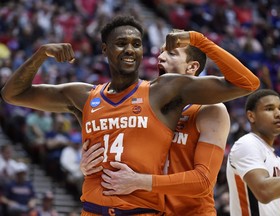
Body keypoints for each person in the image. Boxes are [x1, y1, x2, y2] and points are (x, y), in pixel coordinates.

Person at [1, 15, 259, 215]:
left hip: (182, 211)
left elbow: (247, 84)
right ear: (104, 50)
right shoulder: (97, 96)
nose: (159, 55)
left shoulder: (188, 101)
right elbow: (13, 94)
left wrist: (198, 39)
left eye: (137, 44)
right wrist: (42, 53)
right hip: (106, 208)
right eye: (122, 43)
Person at [80, 29, 230, 215]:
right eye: (161, 52)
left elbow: (204, 182)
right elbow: (121, 157)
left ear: (191, 67)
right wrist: (89, 166)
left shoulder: (210, 110)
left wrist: (141, 181)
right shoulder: (145, 105)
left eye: (171, 53)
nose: (160, 57)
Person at [226, 89, 280, 215]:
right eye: (269, 109)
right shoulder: (247, 143)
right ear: (251, 116)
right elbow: (264, 192)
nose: (279, 114)